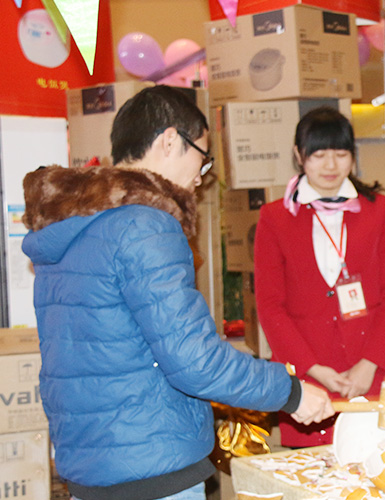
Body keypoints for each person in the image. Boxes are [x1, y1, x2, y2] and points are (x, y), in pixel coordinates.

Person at [21, 85, 334, 500]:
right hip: (153, 464)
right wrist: (291, 392)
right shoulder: (145, 224)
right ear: (170, 141)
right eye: (201, 160)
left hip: (91, 465)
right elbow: (195, 360)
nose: (199, 180)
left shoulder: (74, 226)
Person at [254, 106, 385, 448]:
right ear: (299, 155)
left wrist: (370, 363)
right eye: (319, 154)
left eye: (340, 154)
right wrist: (313, 369)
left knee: (373, 470)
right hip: (308, 377)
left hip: (368, 370)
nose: (330, 165)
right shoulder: (274, 218)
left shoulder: (378, 211)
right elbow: (269, 306)